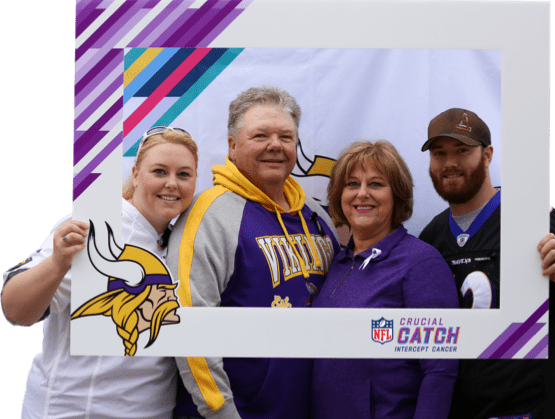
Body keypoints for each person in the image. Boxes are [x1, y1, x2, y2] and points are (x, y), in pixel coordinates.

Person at [418, 108, 555, 419]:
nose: (450, 163)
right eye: (439, 153)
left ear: (487, 155)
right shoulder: (430, 236)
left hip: (528, 411)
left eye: (462, 150)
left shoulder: (531, 215)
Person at [1, 126, 199, 418]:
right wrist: (58, 263)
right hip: (74, 411)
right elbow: (15, 311)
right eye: (159, 171)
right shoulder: (100, 226)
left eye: (184, 174)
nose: (172, 183)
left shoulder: (184, 238)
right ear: (135, 174)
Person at [168, 86, 340, 419]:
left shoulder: (318, 217)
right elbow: (187, 325)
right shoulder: (209, 215)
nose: (275, 145)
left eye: (286, 137)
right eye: (260, 135)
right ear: (232, 146)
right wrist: (221, 411)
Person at [310, 140, 459, 419]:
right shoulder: (338, 262)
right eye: (352, 184)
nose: (362, 194)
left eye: (376, 184)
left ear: (397, 195)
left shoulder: (421, 263)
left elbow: (440, 368)